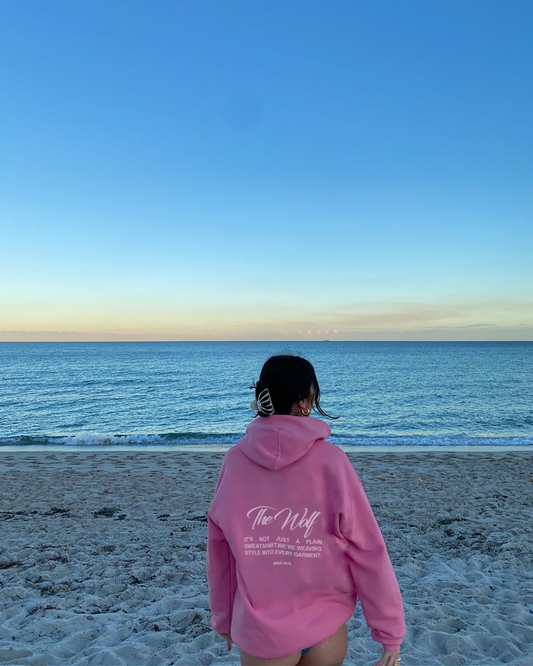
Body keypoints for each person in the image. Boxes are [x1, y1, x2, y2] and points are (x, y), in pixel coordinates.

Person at [206, 354, 406, 666]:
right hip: (324, 627)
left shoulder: (234, 462)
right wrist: (389, 632)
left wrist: (224, 619)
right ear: (304, 401)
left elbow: (221, 553)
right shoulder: (333, 462)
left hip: (263, 633)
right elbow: (368, 550)